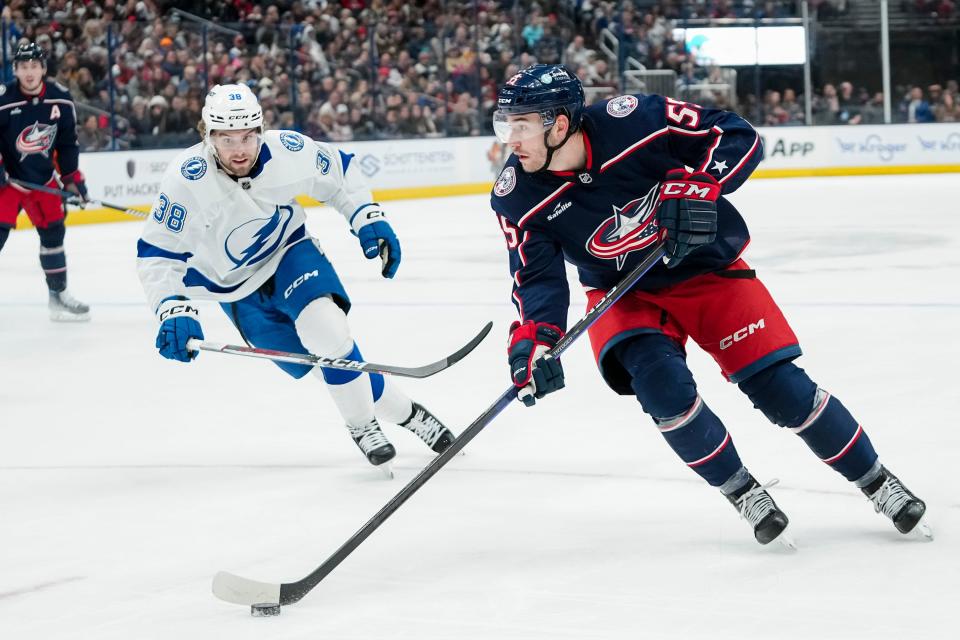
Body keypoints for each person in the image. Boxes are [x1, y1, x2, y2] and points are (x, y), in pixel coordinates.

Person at [490, 64, 931, 546]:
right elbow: (536, 278)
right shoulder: (516, 197)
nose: (510, 139)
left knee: (781, 389)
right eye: (505, 124)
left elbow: (735, 135)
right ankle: (743, 492)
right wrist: (536, 340)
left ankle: (876, 481)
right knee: (662, 389)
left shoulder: (637, 119)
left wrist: (703, 182)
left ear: (559, 123)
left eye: (522, 125)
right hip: (625, 293)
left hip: (708, 270)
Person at [136, 83, 454, 475]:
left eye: (248, 137)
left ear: (261, 129)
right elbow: (158, 254)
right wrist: (172, 308)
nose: (239, 149)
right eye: (226, 139)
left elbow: (339, 174)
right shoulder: (186, 180)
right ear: (208, 135)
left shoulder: (288, 149)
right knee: (331, 362)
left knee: (329, 333)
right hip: (234, 289)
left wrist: (368, 217)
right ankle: (409, 414)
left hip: (289, 252)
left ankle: (362, 426)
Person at [0, 42, 90, 321]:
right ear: (15, 70)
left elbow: (67, 144)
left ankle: (58, 296)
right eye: (24, 67)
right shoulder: (3, 100)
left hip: (44, 181)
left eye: (34, 66)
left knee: (53, 237)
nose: (29, 72)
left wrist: (73, 180)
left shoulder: (60, 99)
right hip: (8, 182)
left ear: (43, 69)